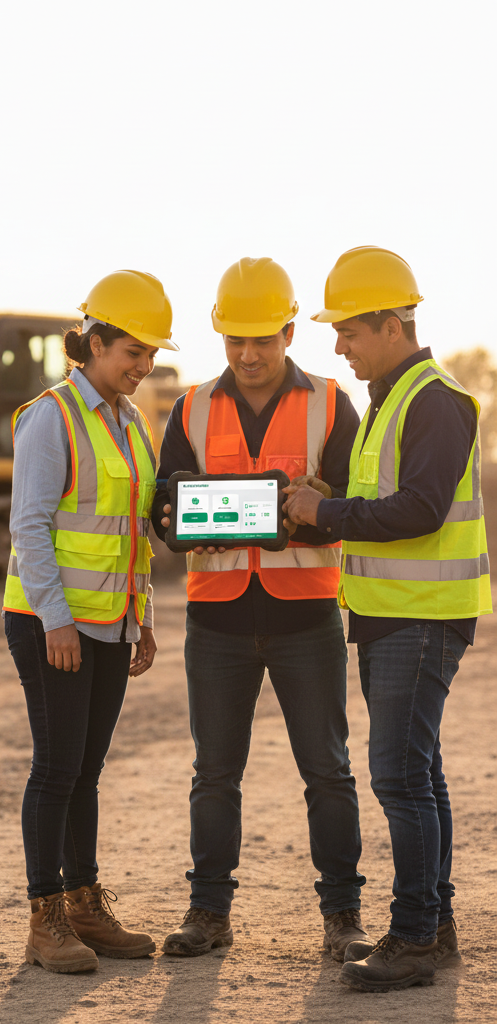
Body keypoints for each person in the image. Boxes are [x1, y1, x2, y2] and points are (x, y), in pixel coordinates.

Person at [284, 246, 491, 992]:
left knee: (398, 776)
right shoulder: (391, 399)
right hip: (391, 617)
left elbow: (420, 510)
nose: (338, 344)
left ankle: (411, 939)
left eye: (349, 331)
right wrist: (316, 504)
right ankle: (433, 927)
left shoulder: (433, 400)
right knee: (419, 773)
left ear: (391, 325)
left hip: (421, 617)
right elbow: (377, 503)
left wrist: (326, 509)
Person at [153, 257, 367, 961]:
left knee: (327, 770)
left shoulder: (334, 403)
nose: (248, 355)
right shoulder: (187, 407)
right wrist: (184, 513)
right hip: (217, 616)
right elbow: (161, 513)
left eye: (262, 340)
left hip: (305, 614)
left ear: (288, 329)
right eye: (234, 341)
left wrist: (293, 518)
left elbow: (351, 510)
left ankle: (343, 917)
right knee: (214, 773)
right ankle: (208, 913)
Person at [3, 269, 171, 973]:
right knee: (57, 767)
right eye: (133, 352)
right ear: (94, 342)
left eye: (152, 356)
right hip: (55, 624)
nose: (145, 366)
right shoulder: (53, 416)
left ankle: (83, 905)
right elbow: (31, 525)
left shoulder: (131, 423)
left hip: (112, 624)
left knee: (88, 769)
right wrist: (56, 621)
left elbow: (129, 532)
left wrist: (145, 618)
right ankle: (45, 919)